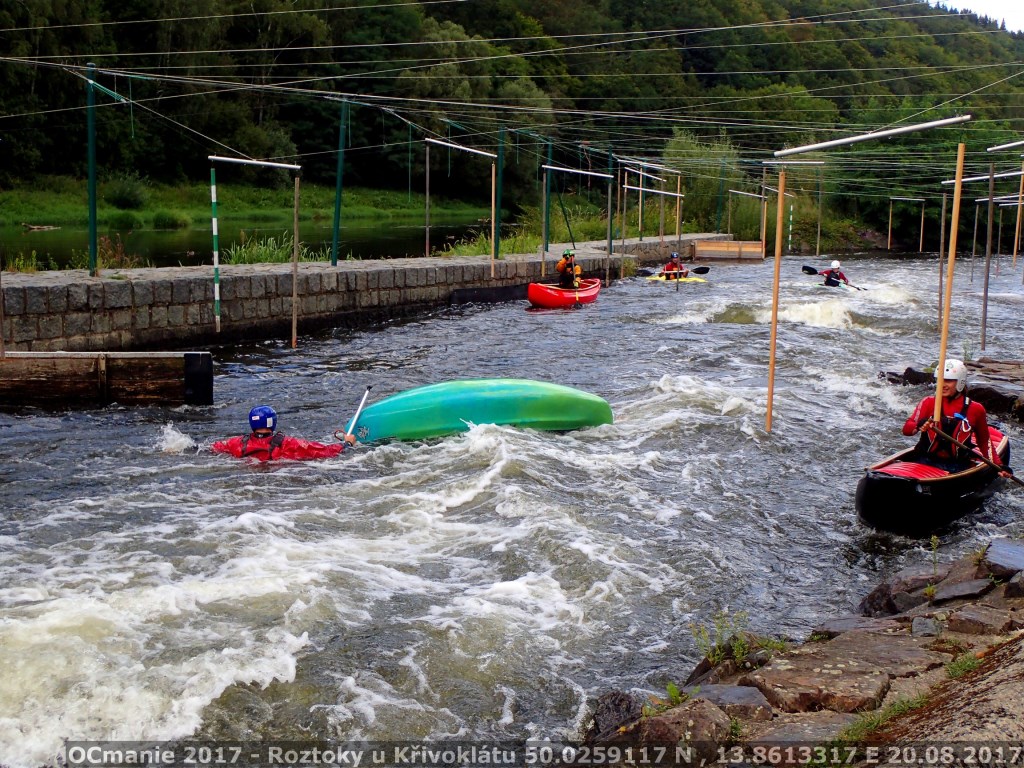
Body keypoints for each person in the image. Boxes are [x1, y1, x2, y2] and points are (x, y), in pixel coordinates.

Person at [902, 359, 1003, 472]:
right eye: (940, 380)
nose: (943, 385)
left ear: (960, 382)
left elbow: (984, 442)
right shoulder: (928, 402)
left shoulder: (976, 409)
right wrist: (919, 425)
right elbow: (906, 430)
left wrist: (999, 466)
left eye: (948, 381)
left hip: (957, 465)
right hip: (924, 460)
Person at [212, 405, 356, 462]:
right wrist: (347, 444)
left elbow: (211, 449)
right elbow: (323, 451)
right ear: (272, 422)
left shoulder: (235, 443)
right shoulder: (288, 444)